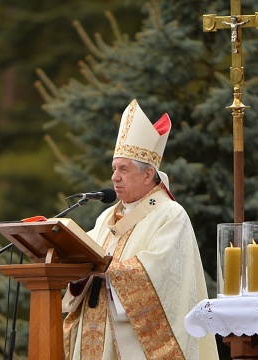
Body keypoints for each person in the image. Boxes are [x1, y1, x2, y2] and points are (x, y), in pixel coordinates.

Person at [61, 99, 219, 360]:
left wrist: (105, 270)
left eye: (124, 169)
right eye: (114, 168)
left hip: (131, 343)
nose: (115, 177)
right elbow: (82, 257)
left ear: (148, 175)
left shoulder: (170, 215)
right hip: (94, 328)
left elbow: (163, 278)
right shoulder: (106, 218)